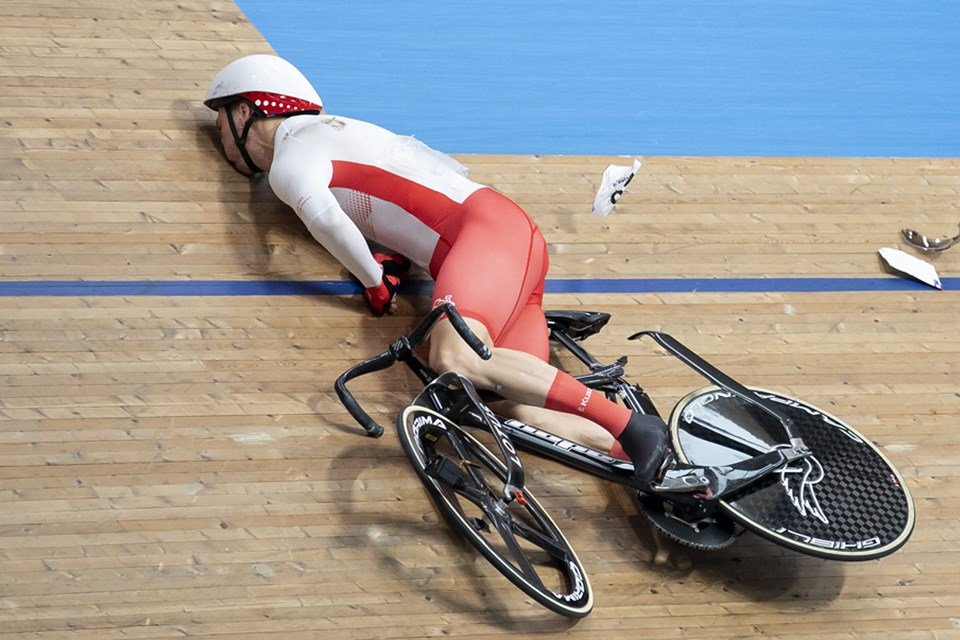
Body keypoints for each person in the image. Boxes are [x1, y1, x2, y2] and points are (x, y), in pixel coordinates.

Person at [203, 54, 669, 484]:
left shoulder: (292, 154)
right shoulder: (331, 132)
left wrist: (373, 282)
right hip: (502, 241)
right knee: (513, 406)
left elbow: (323, 215)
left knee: (453, 358)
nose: (218, 135)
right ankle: (671, 471)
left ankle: (631, 425)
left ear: (244, 113)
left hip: (482, 238)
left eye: (219, 121)